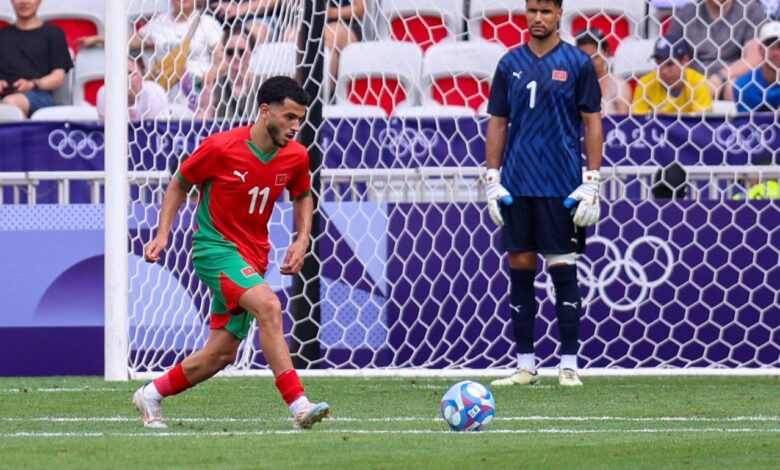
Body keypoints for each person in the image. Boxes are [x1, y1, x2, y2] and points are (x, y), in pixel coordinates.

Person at [133, 76, 331, 430]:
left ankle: (150, 394)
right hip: (215, 249)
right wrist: (163, 234)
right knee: (269, 305)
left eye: (299, 119)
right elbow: (180, 182)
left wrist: (302, 239)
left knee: (221, 353)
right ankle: (299, 404)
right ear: (265, 111)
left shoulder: (297, 156)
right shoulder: (221, 147)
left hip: (254, 256)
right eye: (288, 117)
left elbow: (302, 195)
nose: (294, 127)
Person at [484, 0, 604, 387]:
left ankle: (568, 363)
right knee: (519, 268)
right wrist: (492, 178)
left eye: (546, 12)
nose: (538, 18)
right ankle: (525, 365)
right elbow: (498, 123)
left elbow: (592, 122)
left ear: (559, 14)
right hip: (517, 185)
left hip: (561, 185)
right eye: (532, 10)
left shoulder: (577, 63)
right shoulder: (508, 63)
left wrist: (593, 179)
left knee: (563, 270)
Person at [667, 0, 768, 100]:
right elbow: (670, 54)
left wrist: (720, 77)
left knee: (733, 86)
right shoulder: (687, 13)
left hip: (732, 76)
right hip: (694, 77)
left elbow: (755, 57)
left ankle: (733, 116)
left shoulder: (751, 10)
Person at [129, 0, 224, 100]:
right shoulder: (160, 21)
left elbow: (222, 59)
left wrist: (209, 76)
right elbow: (134, 40)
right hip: (164, 87)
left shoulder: (207, 23)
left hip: (195, 89)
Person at [0, 0, 73, 117]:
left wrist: (31, 84)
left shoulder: (53, 33)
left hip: (39, 95)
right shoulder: (2, 35)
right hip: (5, 95)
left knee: (11, 104)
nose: (24, 2)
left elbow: (58, 77)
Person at [631, 35, 713, 115]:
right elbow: (639, 121)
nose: (664, 71)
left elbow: (702, 124)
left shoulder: (698, 83)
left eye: (669, 64)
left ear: (685, 61)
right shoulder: (645, 83)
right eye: (659, 63)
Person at [196, 27, 259, 120]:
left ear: (251, 52)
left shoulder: (262, 84)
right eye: (230, 52)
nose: (236, 56)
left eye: (241, 52)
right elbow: (204, 118)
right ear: (224, 53)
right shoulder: (213, 86)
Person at [575, 29, 631, 114]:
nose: (590, 63)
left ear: (605, 53)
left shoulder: (619, 86)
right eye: (584, 58)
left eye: (595, 57)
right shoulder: (571, 85)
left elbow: (623, 123)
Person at [96, 57, 170, 121]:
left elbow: (153, 134)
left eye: (130, 73)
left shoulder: (155, 94)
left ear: (143, 73)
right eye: (119, 73)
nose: (125, 79)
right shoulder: (105, 94)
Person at [733, 21, 780, 112]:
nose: (775, 53)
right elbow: (745, 123)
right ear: (761, 49)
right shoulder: (744, 86)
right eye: (770, 45)